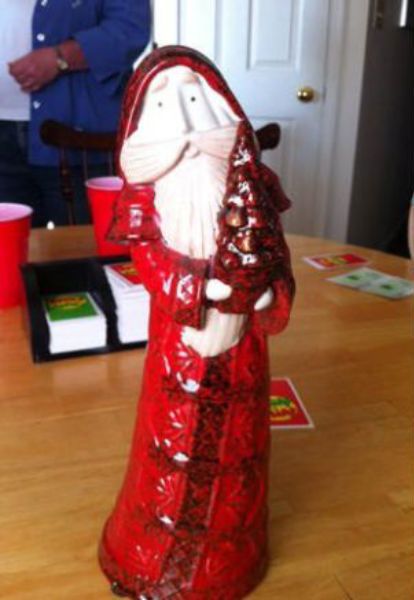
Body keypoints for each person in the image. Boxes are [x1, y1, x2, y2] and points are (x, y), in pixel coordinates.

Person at [99, 46, 295, 599]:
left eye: (194, 101)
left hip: (241, 351)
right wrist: (198, 291)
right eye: (165, 107)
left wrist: (261, 292)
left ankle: (229, 560)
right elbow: (147, 256)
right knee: (169, 442)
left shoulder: (251, 184)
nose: (186, 130)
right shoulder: (147, 196)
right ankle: (149, 560)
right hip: (177, 344)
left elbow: (273, 251)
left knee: (237, 449)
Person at [0, 0, 150, 227]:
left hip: (79, 137)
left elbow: (129, 28)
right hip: (3, 135)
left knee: (86, 243)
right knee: (8, 247)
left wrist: (61, 58)